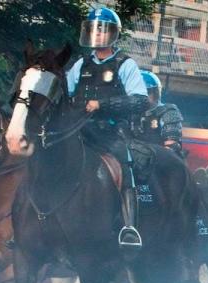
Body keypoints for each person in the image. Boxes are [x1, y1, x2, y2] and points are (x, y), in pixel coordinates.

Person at [67, 6, 149, 250]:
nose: (98, 35)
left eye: (104, 31)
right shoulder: (80, 65)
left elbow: (140, 99)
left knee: (126, 163)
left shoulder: (125, 64)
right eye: (94, 30)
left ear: (114, 34)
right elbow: (66, 93)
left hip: (111, 131)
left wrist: (101, 105)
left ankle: (129, 226)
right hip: (79, 130)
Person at [135, 70, 185, 159]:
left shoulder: (167, 112)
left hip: (160, 162)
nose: (144, 97)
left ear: (156, 93)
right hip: (134, 160)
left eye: (148, 92)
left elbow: (172, 146)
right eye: (140, 94)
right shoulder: (129, 114)